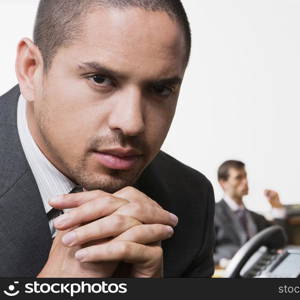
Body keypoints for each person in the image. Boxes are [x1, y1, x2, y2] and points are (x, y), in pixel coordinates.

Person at [0, 0, 215, 277]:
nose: (132, 123)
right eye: (100, 79)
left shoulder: (191, 201)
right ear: (31, 70)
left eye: (161, 89)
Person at [213, 160, 287, 265]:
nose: (245, 181)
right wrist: (222, 262)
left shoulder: (256, 218)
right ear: (223, 183)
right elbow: (203, 253)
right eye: (239, 178)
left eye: (245, 176)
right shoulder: (212, 214)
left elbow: (279, 240)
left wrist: (277, 208)